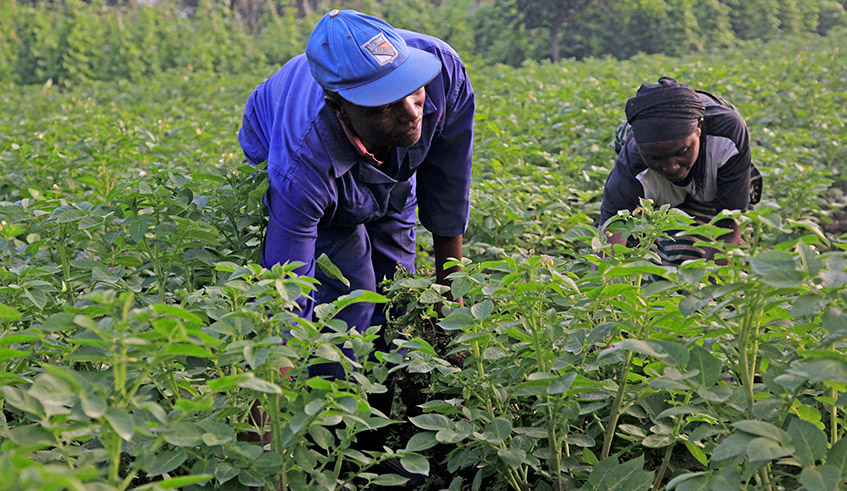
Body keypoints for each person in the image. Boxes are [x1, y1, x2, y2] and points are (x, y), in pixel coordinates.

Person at [600, 76, 760, 266]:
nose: (671, 167)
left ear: (699, 128)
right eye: (655, 158)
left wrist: (700, 289)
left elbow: (729, 224)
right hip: (649, 176)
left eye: (682, 152)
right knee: (666, 251)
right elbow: (608, 240)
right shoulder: (631, 163)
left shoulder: (728, 135)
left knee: (727, 254)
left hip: (715, 167)